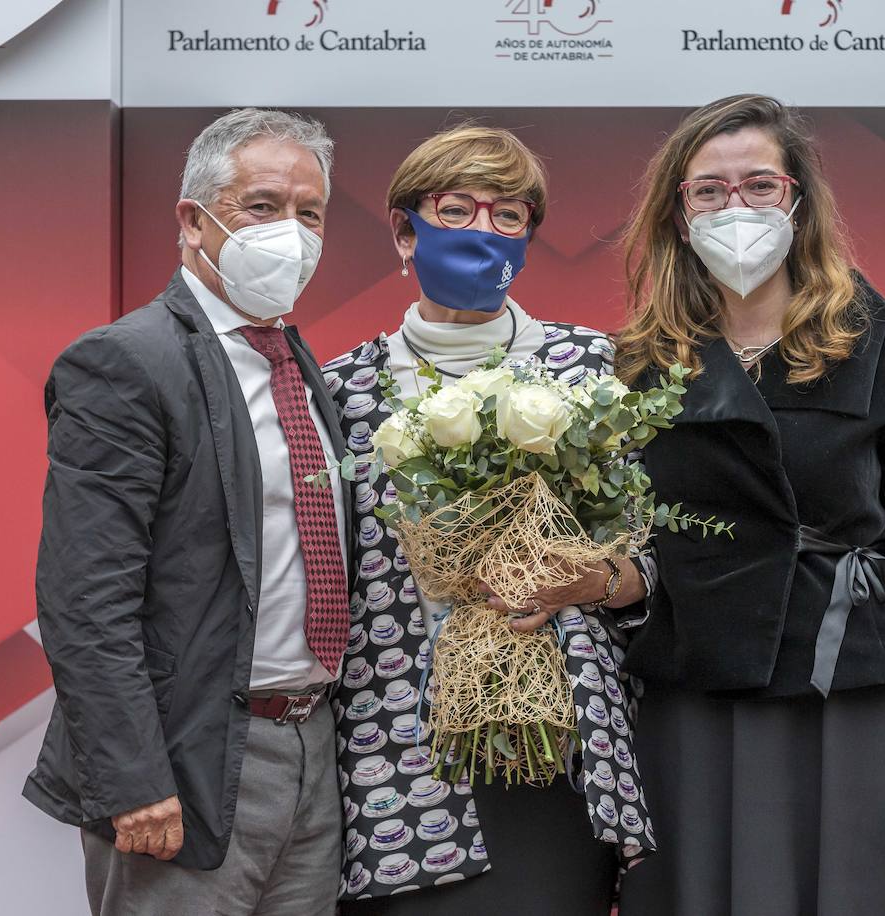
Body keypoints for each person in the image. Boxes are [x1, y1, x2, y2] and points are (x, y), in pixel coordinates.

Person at [614, 94, 885, 916]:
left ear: (798, 200)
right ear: (680, 216)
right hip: (701, 691)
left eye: (760, 185)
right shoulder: (634, 367)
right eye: (710, 191)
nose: (737, 207)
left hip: (857, 687)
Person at [23, 108, 352, 916]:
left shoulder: (298, 362)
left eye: (310, 213)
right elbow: (84, 597)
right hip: (188, 755)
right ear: (193, 220)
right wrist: (133, 779)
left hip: (315, 746)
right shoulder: (128, 361)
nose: (293, 233)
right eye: (263, 206)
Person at [325, 124, 656, 915]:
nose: (484, 231)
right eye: (457, 209)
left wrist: (601, 580)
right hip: (396, 751)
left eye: (509, 216)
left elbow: (662, 551)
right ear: (404, 230)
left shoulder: (595, 368)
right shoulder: (339, 392)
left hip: (556, 740)